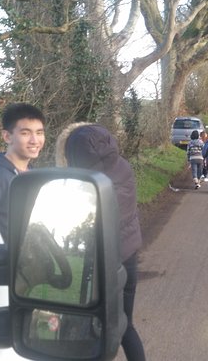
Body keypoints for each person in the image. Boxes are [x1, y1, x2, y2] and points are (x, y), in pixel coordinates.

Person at [55, 123, 146, 361]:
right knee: (126, 326)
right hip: (129, 258)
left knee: (91, 328)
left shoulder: (86, 182)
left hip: (101, 265)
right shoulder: (122, 166)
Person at [0, 103, 45, 241]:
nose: (34, 140)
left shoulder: (34, 176)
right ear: (7, 137)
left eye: (39, 133)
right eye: (25, 133)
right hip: (3, 260)